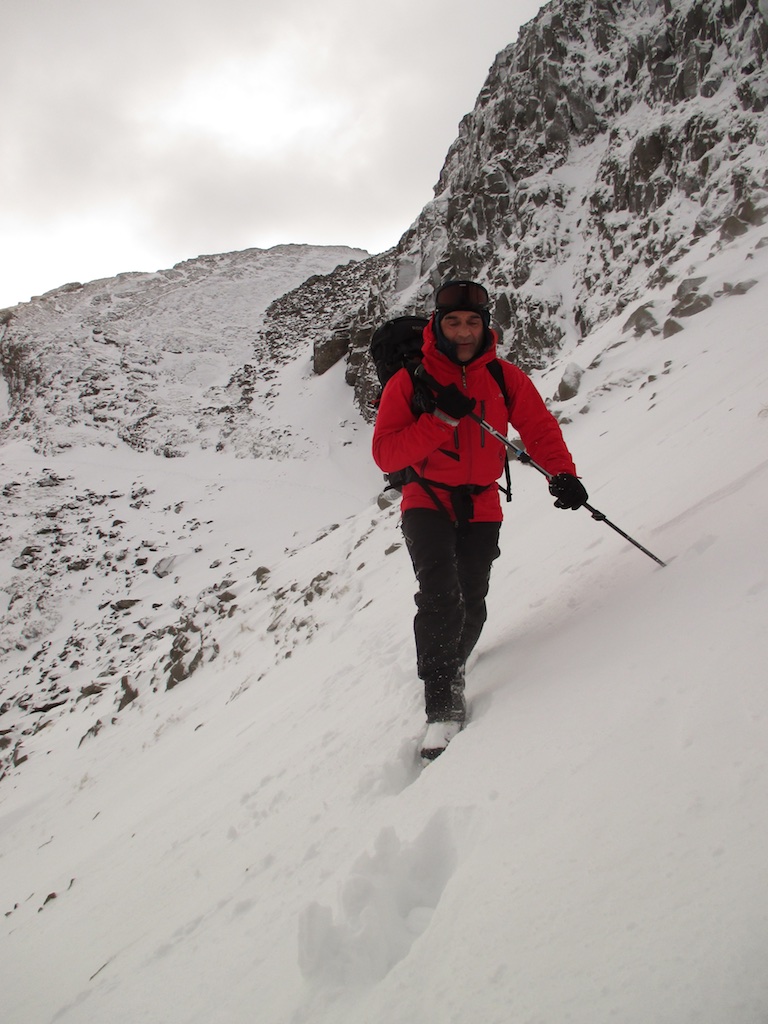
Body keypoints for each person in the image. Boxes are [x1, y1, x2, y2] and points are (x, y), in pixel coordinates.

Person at [371, 280, 588, 760]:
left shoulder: (506, 378)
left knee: (473, 599)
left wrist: (564, 476)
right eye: (454, 322)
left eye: (472, 322)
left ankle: (452, 661)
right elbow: (385, 450)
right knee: (439, 594)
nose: (464, 331)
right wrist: (440, 421)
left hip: (483, 502)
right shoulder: (411, 381)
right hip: (426, 497)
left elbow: (539, 429)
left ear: (485, 324)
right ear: (438, 325)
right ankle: (442, 706)